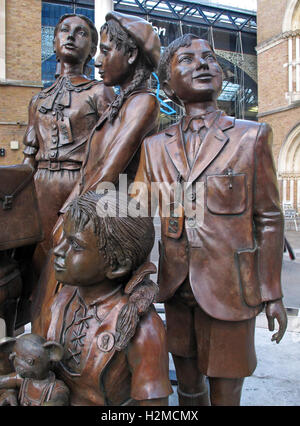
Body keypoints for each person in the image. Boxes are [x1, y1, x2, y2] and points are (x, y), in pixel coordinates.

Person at [131, 34, 287, 406]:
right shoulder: (154, 147)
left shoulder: (251, 137)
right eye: (186, 59)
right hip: (175, 290)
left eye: (210, 57)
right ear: (167, 85)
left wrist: (272, 292)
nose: (203, 63)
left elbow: (268, 219)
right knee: (187, 387)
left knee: (227, 392)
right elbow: (134, 214)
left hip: (231, 289)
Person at [32, 11, 161, 337]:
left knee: (61, 287)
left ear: (131, 55)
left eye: (106, 51)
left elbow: (107, 170)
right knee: (51, 289)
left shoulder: (143, 103)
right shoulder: (122, 103)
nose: (99, 61)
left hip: (104, 221)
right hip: (86, 211)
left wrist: (70, 214)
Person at [46, 191, 172, 406]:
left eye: (75, 245)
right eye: (62, 240)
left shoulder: (144, 329)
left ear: (117, 265)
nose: (58, 250)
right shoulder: (62, 299)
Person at [23, 14, 114, 263]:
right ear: (54, 44)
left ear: (93, 49)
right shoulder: (38, 99)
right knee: (38, 257)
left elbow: (111, 152)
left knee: (75, 255)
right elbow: (28, 159)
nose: (71, 36)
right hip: (41, 187)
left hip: (81, 185)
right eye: (64, 30)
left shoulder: (99, 92)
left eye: (81, 32)